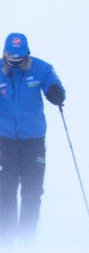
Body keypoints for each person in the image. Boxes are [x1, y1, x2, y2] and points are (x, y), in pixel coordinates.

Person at [0, 33, 65, 241]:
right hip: (5, 140)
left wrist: (56, 92)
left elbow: (53, 83)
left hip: (34, 141)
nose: (16, 63)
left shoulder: (40, 68)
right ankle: (7, 238)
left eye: (19, 59)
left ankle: (27, 238)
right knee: (6, 189)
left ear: (27, 55)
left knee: (32, 189)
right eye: (11, 59)